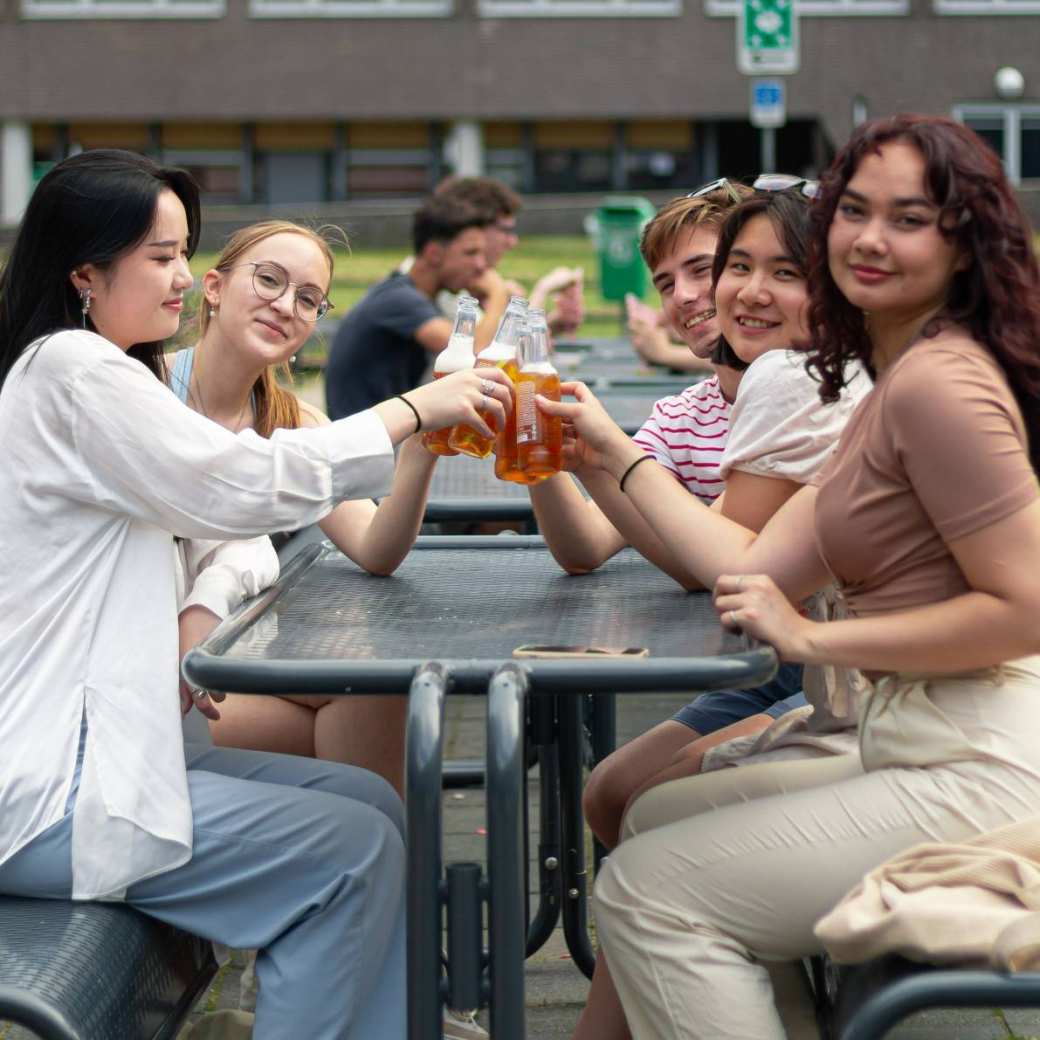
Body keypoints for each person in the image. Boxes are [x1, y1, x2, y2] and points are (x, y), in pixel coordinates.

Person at [543, 114, 1040, 1040]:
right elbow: (749, 569)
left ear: (966, 245)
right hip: (912, 742)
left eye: (909, 218)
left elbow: (1025, 610)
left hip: (983, 768)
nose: (868, 236)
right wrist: (595, 456)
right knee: (649, 822)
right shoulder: (883, 380)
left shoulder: (936, 386)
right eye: (853, 210)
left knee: (653, 896)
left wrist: (819, 638)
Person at [0, 148, 512, 1040]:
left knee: (373, 807)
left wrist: (198, 615)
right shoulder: (77, 371)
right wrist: (416, 413)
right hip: (56, 784)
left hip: (114, 743)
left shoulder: (99, 372)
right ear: (85, 272)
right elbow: (238, 486)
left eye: (180, 250)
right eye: (159, 256)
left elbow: (235, 524)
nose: (177, 273)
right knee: (346, 856)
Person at [171, 219, 447, 798]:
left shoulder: (293, 419)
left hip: (226, 660)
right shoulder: (147, 389)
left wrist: (421, 447)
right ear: (214, 288)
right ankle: (382, 864)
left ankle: (373, 863)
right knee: (360, 730)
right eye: (269, 280)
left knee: (370, 687)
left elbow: (375, 549)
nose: (285, 306)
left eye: (308, 299)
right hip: (144, 675)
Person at [325, 193, 509, 420]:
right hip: (364, 444)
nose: (482, 266)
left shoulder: (411, 293)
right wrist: (498, 295)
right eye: (470, 253)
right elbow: (474, 361)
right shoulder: (400, 300)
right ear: (434, 253)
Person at [430, 175, 584, 336]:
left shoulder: (471, 284)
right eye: (506, 231)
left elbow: (499, 340)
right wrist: (541, 292)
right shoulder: (448, 286)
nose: (512, 242)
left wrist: (552, 324)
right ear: (476, 228)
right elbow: (493, 356)